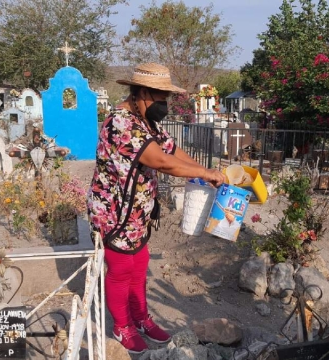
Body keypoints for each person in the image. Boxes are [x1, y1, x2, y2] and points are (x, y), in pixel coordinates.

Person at [87, 63, 227, 354]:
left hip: (137, 211)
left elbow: (172, 151)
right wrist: (203, 174)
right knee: (121, 268)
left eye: (166, 97)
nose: (164, 103)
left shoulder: (147, 122)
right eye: (159, 96)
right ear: (140, 92)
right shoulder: (120, 122)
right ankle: (121, 325)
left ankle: (140, 318)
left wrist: (204, 170)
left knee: (140, 265)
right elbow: (160, 161)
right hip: (114, 212)